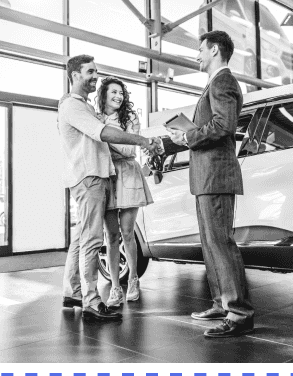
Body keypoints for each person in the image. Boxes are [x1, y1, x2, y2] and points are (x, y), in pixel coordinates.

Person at [147, 31, 255, 337]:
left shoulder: (223, 82)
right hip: (205, 177)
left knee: (221, 244)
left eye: (200, 50)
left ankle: (239, 313)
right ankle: (222, 303)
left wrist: (189, 136)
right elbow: (205, 130)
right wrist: (177, 141)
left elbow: (223, 126)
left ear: (215, 50)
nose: (197, 55)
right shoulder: (215, 84)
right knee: (211, 245)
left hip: (216, 176)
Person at [59, 54, 161, 321]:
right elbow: (102, 133)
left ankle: (72, 291)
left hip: (98, 177)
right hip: (90, 178)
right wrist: (142, 140)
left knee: (82, 237)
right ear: (74, 75)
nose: (95, 76)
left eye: (96, 72)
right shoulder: (73, 106)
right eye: (90, 72)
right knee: (94, 239)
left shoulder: (82, 106)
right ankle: (92, 301)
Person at [95, 77, 153, 307]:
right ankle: (116, 288)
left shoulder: (130, 117)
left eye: (121, 92)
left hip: (128, 173)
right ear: (104, 95)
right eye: (113, 92)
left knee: (128, 232)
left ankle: (133, 279)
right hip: (107, 176)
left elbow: (130, 148)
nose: (118, 96)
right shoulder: (96, 118)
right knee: (110, 236)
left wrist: (106, 137)